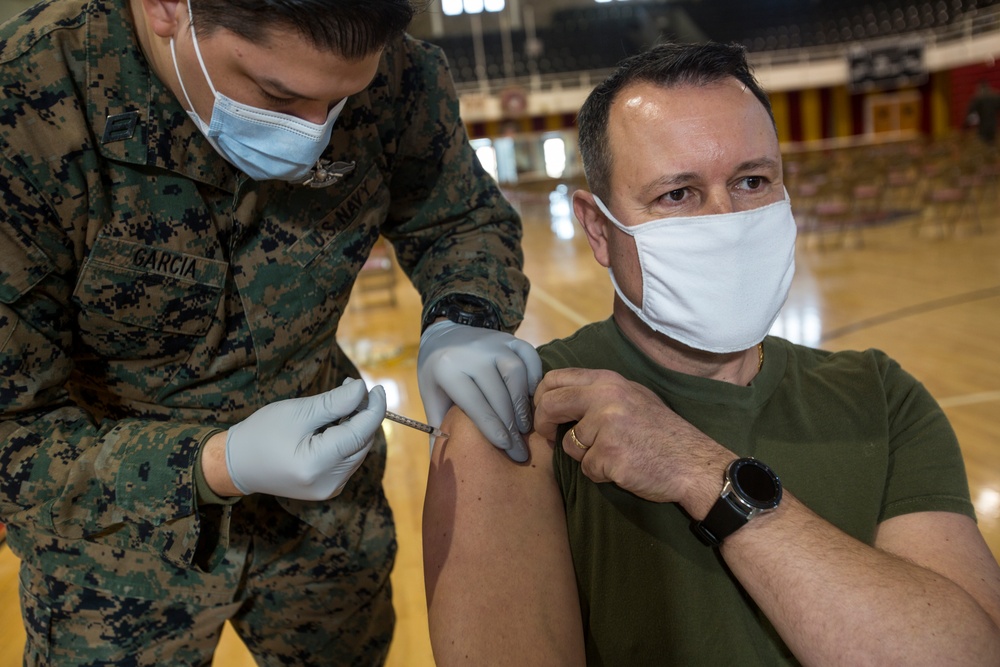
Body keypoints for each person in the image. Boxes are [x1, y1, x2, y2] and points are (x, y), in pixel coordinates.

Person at [422, 42, 1000, 665]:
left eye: (752, 181)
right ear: (597, 228)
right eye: (679, 194)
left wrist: (699, 471)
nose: (727, 220)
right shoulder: (518, 419)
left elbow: (963, 653)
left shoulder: (881, 397)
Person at [0, 0, 541, 663]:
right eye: (278, 94)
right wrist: (218, 463)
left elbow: (458, 218)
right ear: (167, 7)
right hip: (112, 542)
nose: (315, 133)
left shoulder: (392, 70)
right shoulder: (24, 107)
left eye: (342, 100)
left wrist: (466, 320)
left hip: (324, 526)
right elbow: (10, 433)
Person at [965, 79, 1000, 146]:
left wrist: (966, 127)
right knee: (992, 143)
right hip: (993, 126)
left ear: (979, 87)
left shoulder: (977, 99)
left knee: (984, 145)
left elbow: (971, 116)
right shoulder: (995, 96)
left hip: (982, 127)